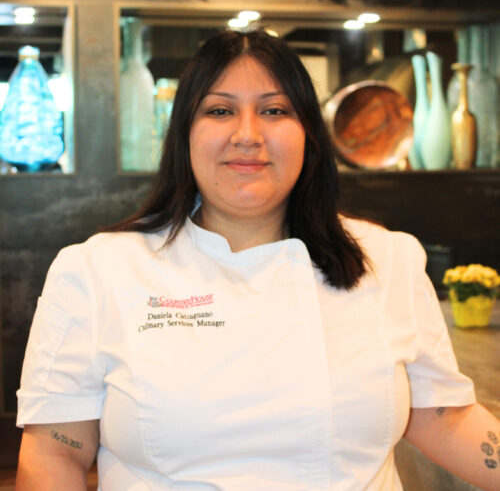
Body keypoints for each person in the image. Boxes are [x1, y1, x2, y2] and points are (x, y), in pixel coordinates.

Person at [16, 29, 499, 491]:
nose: (247, 134)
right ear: (184, 134)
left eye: (274, 110)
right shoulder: (98, 270)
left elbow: (444, 417)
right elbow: (55, 452)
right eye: (220, 110)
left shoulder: (386, 259)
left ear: (308, 134)